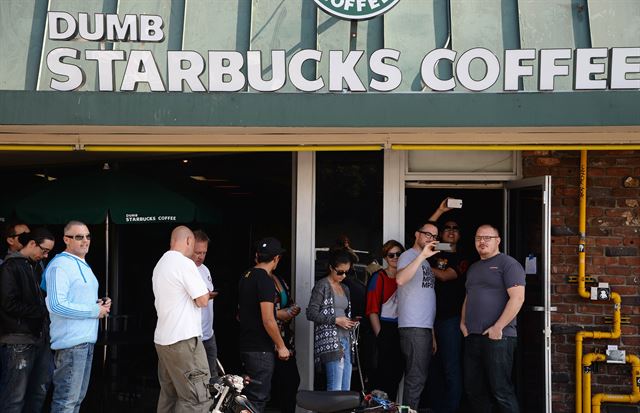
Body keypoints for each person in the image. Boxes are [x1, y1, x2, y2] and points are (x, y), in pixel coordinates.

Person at [45, 220, 111, 413]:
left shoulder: (83, 264)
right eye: (79, 237)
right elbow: (56, 305)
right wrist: (93, 311)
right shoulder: (60, 265)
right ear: (66, 239)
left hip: (85, 341)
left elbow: (77, 299)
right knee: (66, 402)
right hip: (71, 343)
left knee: (75, 401)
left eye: (88, 236)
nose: (85, 241)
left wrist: (99, 304)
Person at [460, 224, 525, 413]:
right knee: (473, 390)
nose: (482, 241)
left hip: (499, 338)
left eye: (487, 237)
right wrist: (463, 323)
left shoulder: (509, 264)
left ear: (498, 241)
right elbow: (468, 296)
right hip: (472, 336)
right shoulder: (473, 268)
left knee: (501, 391)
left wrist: (498, 327)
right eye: (478, 238)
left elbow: (518, 298)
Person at [153, 225, 212, 413]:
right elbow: (203, 300)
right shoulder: (184, 263)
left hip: (163, 340)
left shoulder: (161, 263)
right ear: (188, 241)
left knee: (169, 395)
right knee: (196, 398)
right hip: (184, 340)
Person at [0, 228, 54, 412]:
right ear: (32, 243)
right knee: (15, 398)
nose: (45, 255)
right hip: (18, 339)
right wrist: (43, 310)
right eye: (44, 250)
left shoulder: (35, 266)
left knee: (38, 393)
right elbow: (9, 304)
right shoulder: (10, 267)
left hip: (39, 337)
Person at [425, 199, 470, 413]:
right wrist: (439, 210)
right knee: (432, 367)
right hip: (427, 318)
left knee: (451, 367)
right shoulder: (434, 250)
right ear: (441, 233)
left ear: (460, 234)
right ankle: (436, 407)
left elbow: (444, 276)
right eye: (447, 228)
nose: (451, 231)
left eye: (455, 228)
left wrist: (421, 263)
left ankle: (451, 409)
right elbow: (423, 237)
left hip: (451, 319)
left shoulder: (462, 256)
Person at [237, 237, 290, 413]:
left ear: (257, 256)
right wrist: (281, 346)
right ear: (276, 259)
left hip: (246, 344)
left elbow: (242, 314)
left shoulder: (246, 276)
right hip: (260, 349)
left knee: (248, 399)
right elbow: (268, 319)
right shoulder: (266, 280)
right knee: (257, 400)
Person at [395, 222, 440, 410]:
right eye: (426, 234)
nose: (430, 238)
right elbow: (400, 279)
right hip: (413, 326)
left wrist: (432, 333)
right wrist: (422, 255)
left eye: (434, 236)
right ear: (416, 234)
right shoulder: (409, 255)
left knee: (418, 377)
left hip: (423, 327)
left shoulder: (425, 260)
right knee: (415, 379)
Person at [306, 248, 357, 391]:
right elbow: (311, 313)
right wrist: (336, 320)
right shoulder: (322, 285)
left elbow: (343, 312)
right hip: (331, 341)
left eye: (347, 272)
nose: (343, 275)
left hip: (346, 339)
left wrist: (350, 321)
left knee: (346, 390)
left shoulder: (345, 288)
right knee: (335, 388)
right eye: (340, 272)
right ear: (330, 268)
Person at [365, 240, 405, 400]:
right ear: (385, 257)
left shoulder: (406, 276)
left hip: (402, 328)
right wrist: (380, 335)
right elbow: (372, 310)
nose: (395, 257)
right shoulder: (379, 277)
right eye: (391, 255)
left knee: (396, 376)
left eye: (398, 254)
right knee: (382, 377)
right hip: (384, 329)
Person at [269, 268, 300, 413]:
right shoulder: (254, 279)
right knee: (270, 387)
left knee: (291, 381)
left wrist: (292, 310)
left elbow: (288, 302)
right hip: (266, 342)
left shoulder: (279, 279)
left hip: (285, 338)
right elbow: (247, 312)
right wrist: (276, 314)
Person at [191, 229, 219, 384]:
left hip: (209, 334)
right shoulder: (186, 269)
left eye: (204, 252)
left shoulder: (205, 269)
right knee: (198, 383)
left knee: (213, 380)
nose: (201, 256)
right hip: (194, 337)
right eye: (197, 252)